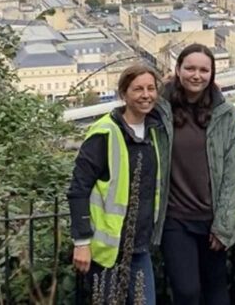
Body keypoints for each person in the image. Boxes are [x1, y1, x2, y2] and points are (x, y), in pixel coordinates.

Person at [67, 64, 170, 305]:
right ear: (124, 94)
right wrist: (81, 242)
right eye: (138, 89)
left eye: (151, 88)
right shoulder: (104, 133)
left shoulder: (155, 131)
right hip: (106, 251)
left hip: (139, 246)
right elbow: (78, 190)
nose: (146, 95)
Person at [158, 43, 235, 305]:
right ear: (177, 70)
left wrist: (224, 225)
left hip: (211, 219)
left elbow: (234, 171)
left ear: (212, 75)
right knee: (186, 292)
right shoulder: (160, 110)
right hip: (175, 218)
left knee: (217, 291)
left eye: (204, 70)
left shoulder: (226, 114)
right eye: (190, 68)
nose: (197, 75)